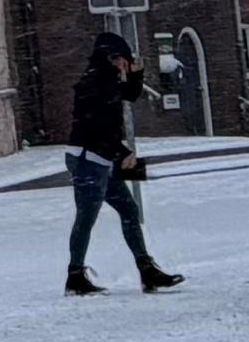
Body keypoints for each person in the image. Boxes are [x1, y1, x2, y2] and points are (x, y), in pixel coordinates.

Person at [63, 28, 184, 295]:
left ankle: (146, 270)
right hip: (88, 159)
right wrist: (121, 152)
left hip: (101, 158)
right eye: (121, 59)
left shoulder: (106, 79)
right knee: (86, 217)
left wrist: (136, 74)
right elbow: (96, 127)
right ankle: (75, 276)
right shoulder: (95, 84)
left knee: (128, 210)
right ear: (109, 58)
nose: (123, 64)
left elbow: (129, 94)